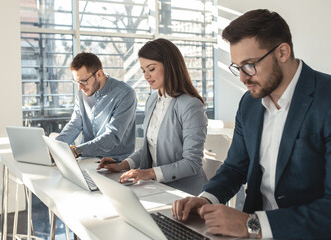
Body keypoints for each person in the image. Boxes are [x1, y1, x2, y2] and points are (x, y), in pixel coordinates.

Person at [172, 9, 331, 239]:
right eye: (237, 67)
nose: (242, 78)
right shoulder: (249, 103)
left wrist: (252, 225)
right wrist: (206, 199)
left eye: (249, 65)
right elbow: (236, 167)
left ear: (283, 52)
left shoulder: (326, 99)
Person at [98, 38, 208, 196]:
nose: (146, 76)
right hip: (157, 187)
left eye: (151, 69)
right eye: (143, 71)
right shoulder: (152, 100)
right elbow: (148, 148)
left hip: (185, 193)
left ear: (169, 66)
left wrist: (148, 173)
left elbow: (192, 163)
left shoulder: (190, 105)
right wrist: (123, 165)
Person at [55, 52, 137, 161]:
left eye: (83, 81)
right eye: (76, 82)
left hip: (115, 164)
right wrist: (55, 147)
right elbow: (75, 125)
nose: (80, 87)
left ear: (99, 74)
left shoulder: (125, 94)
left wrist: (77, 151)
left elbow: (112, 136)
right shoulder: (82, 92)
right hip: (86, 159)